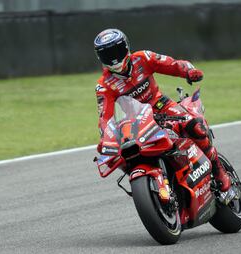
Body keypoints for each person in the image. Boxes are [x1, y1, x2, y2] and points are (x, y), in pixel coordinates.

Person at [94, 28, 231, 192]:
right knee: (125, 155)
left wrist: (188, 71)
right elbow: (105, 117)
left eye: (116, 50)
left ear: (126, 47)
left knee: (194, 125)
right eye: (107, 54)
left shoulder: (143, 58)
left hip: (161, 106)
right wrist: (106, 140)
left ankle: (217, 169)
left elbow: (171, 64)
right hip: (134, 123)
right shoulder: (104, 86)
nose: (114, 58)